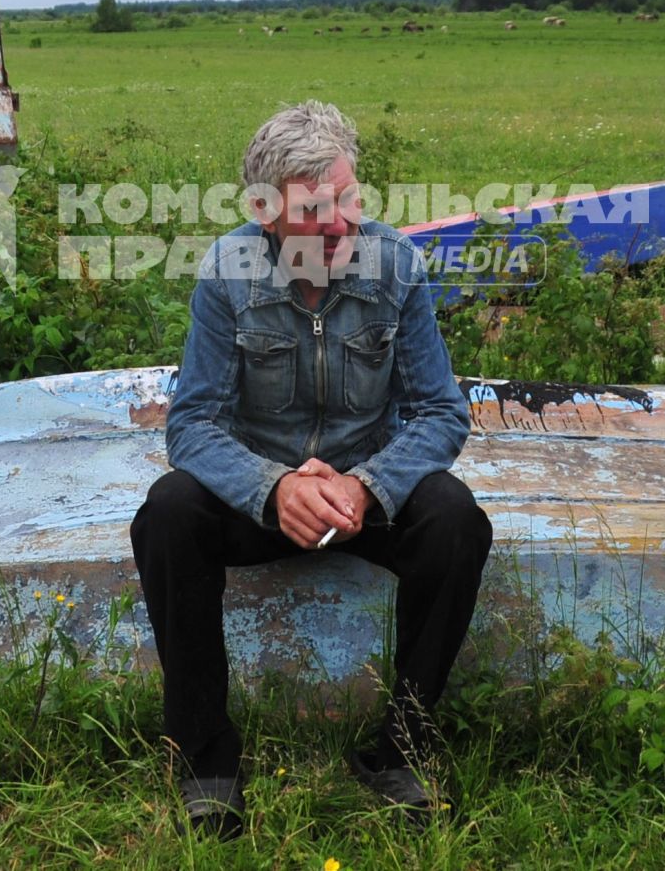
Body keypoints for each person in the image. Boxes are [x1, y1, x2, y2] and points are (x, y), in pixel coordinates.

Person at [131, 100, 492, 836]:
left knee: (456, 520)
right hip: (263, 503)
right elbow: (193, 423)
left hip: (365, 498)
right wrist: (273, 489)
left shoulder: (396, 266)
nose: (339, 223)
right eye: (315, 209)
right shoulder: (228, 274)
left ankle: (402, 748)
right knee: (168, 512)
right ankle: (209, 762)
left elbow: (440, 412)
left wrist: (368, 484)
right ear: (267, 214)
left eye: (349, 198)